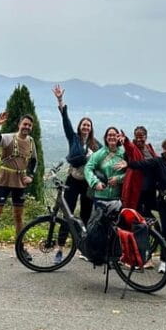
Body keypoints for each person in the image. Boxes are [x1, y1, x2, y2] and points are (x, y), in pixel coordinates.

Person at [0, 112, 37, 267]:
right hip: (4, 180)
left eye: (29, 125)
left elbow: (33, 162)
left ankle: (20, 248)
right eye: (24, 124)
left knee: (19, 217)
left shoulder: (31, 142)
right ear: (19, 125)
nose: (27, 127)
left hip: (19, 182)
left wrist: (30, 176)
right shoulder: (8, 138)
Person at [122, 137, 166, 273]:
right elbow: (142, 164)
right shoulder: (158, 162)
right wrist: (129, 163)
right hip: (164, 202)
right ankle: (164, 261)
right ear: (163, 150)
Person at [52, 85, 100, 264]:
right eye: (84, 124)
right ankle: (60, 248)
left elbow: (106, 159)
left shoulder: (96, 145)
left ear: (91, 128)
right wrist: (60, 100)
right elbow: (65, 119)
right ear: (80, 126)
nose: (86, 127)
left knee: (87, 215)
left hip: (87, 183)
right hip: (72, 180)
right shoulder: (73, 137)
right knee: (68, 213)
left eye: (88, 125)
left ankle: (85, 248)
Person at [121, 126, 158, 214]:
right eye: (136, 137)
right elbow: (129, 148)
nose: (138, 139)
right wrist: (126, 140)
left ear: (146, 137)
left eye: (141, 137)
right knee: (137, 213)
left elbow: (156, 162)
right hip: (137, 189)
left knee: (147, 212)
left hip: (149, 189)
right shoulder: (133, 149)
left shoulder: (149, 148)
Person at [84, 127, 127, 202]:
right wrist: (95, 183)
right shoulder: (99, 154)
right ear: (106, 138)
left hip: (118, 197)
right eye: (109, 135)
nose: (112, 137)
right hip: (101, 196)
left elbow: (131, 172)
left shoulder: (124, 153)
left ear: (118, 138)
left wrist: (118, 179)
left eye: (115, 135)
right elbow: (88, 168)